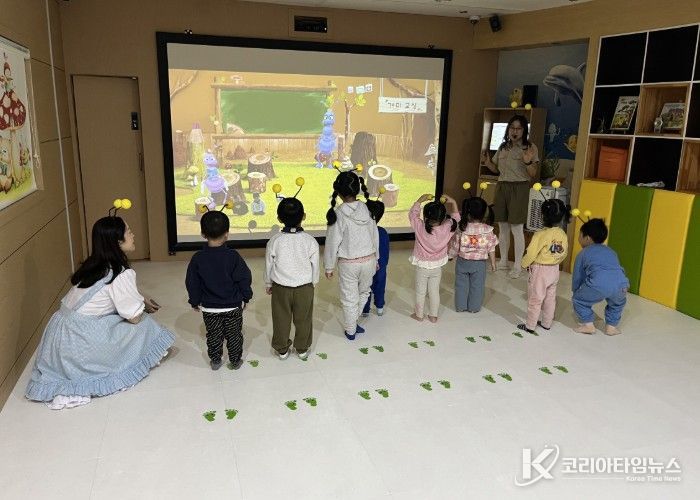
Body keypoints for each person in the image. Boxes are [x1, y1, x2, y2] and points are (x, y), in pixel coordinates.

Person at [25, 216, 175, 410]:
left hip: (60, 334)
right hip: (80, 341)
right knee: (146, 325)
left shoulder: (95, 265)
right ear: (117, 241)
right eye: (129, 232)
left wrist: (140, 298)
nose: (133, 235)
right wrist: (140, 305)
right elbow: (134, 317)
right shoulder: (121, 273)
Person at [186, 210, 253, 370]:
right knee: (234, 335)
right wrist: (246, 296)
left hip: (210, 308)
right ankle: (235, 360)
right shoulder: (233, 256)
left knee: (214, 335)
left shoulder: (198, 258)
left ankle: (216, 360)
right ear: (227, 233)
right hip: (233, 306)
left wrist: (194, 301)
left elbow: (192, 283)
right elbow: (244, 278)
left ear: (203, 234)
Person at [481, 115, 539, 279]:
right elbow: (496, 169)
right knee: (502, 226)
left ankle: (518, 265)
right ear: (508, 129)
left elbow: (533, 174)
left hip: (519, 187)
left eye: (518, 128)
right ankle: (504, 261)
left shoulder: (529, 147)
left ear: (524, 130)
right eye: (512, 128)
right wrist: (487, 162)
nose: (515, 131)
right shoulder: (503, 147)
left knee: (516, 228)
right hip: (502, 186)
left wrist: (527, 162)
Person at [323, 170, 379, 340]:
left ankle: (350, 329)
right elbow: (374, 236)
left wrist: (329, 266)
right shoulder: (367, 209)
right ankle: (353, 323)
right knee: (364, 292)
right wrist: (376, 258)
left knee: (349, 298)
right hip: (369, 260)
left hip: (348, 263)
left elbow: (332, 242)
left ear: (338, 192)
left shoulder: (338, 213)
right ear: (358, 189)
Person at [264, 197, 319, 360]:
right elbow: (315, 265)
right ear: (304, 216)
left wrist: (268, 282)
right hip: (305, 287)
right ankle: (302, 348)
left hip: (280, 287)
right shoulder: (310, 241)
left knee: (281, 318)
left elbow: (268, 264)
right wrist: (314, 282)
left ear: (279, 218)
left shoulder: (274, 240)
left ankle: (282, 349)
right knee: (304, 319)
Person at [517, 199, 569, 333]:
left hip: (540, 270)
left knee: (536, 298)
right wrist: (555, 260)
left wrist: (523, 263)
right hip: (554, 269)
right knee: (550, 298)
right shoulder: (562, 234)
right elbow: (564, 252)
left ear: (543, 216)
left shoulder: (540, 234)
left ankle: (530, 326)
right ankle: (546, 323)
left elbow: (531, 253)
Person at [572, 218, 629, 335]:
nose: (578, 238)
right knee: (617, 304)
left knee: (579, 300)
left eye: (580, 235)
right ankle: (611, 327)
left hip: (599, 284)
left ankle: (588, 325)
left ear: (587, 238)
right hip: (622, 284)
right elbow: (616, 269)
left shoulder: (583, 253)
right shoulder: (611, 251)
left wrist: (576, 291)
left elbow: (578, 276)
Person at [409, 194, 459, 323]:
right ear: (443, 218)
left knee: (420, 292)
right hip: (437, 266)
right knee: (434, 291)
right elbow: (456, 218)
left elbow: (413, 215)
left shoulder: (419, 226)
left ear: (425, 216)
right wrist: (453, 202)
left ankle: (419, 315)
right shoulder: (448, 227)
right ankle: (433, 316)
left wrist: (419, 200)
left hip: (422, 267)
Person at [449, 196, 498, 313]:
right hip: (479, 264)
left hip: (462, 262)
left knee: (461, 285)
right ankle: (474, 308)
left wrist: (450, 256)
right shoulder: (488, 230)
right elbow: (491, 247)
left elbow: (455, 245)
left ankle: (460, 306)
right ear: (484, 213)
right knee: (477, 286)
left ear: (467, 212)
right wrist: (493, 263)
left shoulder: (462, 228)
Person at [362, 199, 389, 317]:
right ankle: (379, 307)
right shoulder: (382, 232)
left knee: (365, 286)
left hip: (366, 265)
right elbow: (386, 253)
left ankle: (365, 309)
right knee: (379, 285)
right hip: (380, 266)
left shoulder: (362, 232)